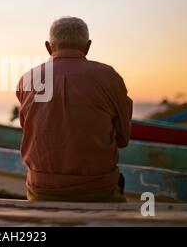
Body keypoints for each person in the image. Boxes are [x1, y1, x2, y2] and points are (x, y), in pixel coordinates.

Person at [16, 16, 133, 202]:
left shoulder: (28, 78)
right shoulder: (109, 77)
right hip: (97, 190)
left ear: (48, 47)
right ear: (88, 46)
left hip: (41, 190)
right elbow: (123, 139)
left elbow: (30, 131)